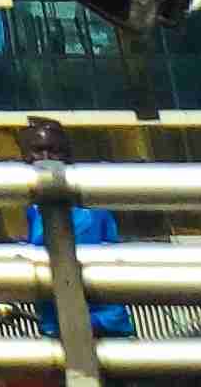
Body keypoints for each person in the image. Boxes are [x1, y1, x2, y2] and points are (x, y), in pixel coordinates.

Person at [21, 118, 131, 341]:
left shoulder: (87, 210)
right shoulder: (34, 208)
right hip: (58, 325)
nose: (45, 160)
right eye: (37, 151)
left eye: (53, 152)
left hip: (98, 327)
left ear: (68, 157)